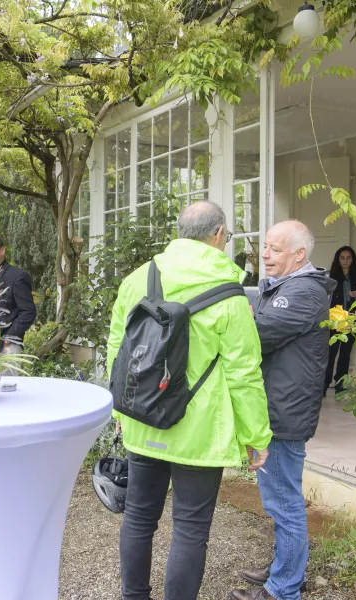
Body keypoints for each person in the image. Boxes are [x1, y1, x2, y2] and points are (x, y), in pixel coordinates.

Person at [108, 201, 271, 600]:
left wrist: (119, 409)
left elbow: (118, 351)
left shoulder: (137, 280)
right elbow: (244, 373)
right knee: (190, 530)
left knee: (139, 517)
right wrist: (256, 435)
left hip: (145, 417)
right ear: (218, 236)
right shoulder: (229, 295)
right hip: (199, 431)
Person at [231, 221, 336, 600]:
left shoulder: (304, 292)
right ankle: (284, 568)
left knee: (284, 501)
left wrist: (243, 313)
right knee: (277, 499)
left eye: (275, 249)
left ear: (299, 255)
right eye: (265, 247)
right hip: (275, 408)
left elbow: (255, 334)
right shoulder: (282, 288)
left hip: (284, 414)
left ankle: (284, 588)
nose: (265, 254)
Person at [0, 235, 36, 352]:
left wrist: (9, 337)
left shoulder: (17, 276)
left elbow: (28, 311)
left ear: (2, 250)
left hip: (6, 347)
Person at [325, 246, 356, 396]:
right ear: (338, 259)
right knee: (330, 353)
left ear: (352, 259)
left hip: (352, 318)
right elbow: (325, 297)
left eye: (348, 258)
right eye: (342, 258)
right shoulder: (331, 276)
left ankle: (340, 384)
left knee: (345, 353)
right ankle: (324, 384)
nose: (345, 261)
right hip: (334, 318)